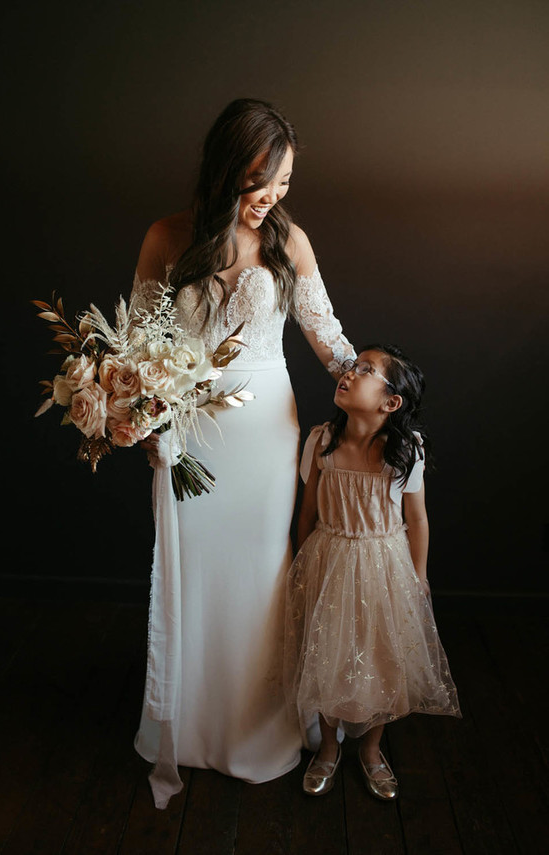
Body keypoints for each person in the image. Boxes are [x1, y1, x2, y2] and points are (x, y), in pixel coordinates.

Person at [130, 98, 356, 809]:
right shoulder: (167, 237)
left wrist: (386, 390)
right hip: (189, 437)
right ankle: (187, 729)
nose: (271, 200)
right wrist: (136, 415)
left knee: (261, 581)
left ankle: (258, 733)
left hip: (264, 440)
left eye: (284, 186)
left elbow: (331, 342)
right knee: (188, 576)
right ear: (227, 169)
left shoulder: (291, 243)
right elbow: (134, 348)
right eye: (261, 183)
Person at [284, 345, 461, 799]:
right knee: (328, 654)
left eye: (365, 370)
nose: (349, 372)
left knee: (381, 657)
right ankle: (328, 746)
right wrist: (301, 564)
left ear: (390, 402)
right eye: (352, 365)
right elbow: (306, 514)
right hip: (330, 556)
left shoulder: (404, 450)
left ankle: (372, 749)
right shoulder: (322, 441)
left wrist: (417, 580)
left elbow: (417, 519)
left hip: (384, 563)